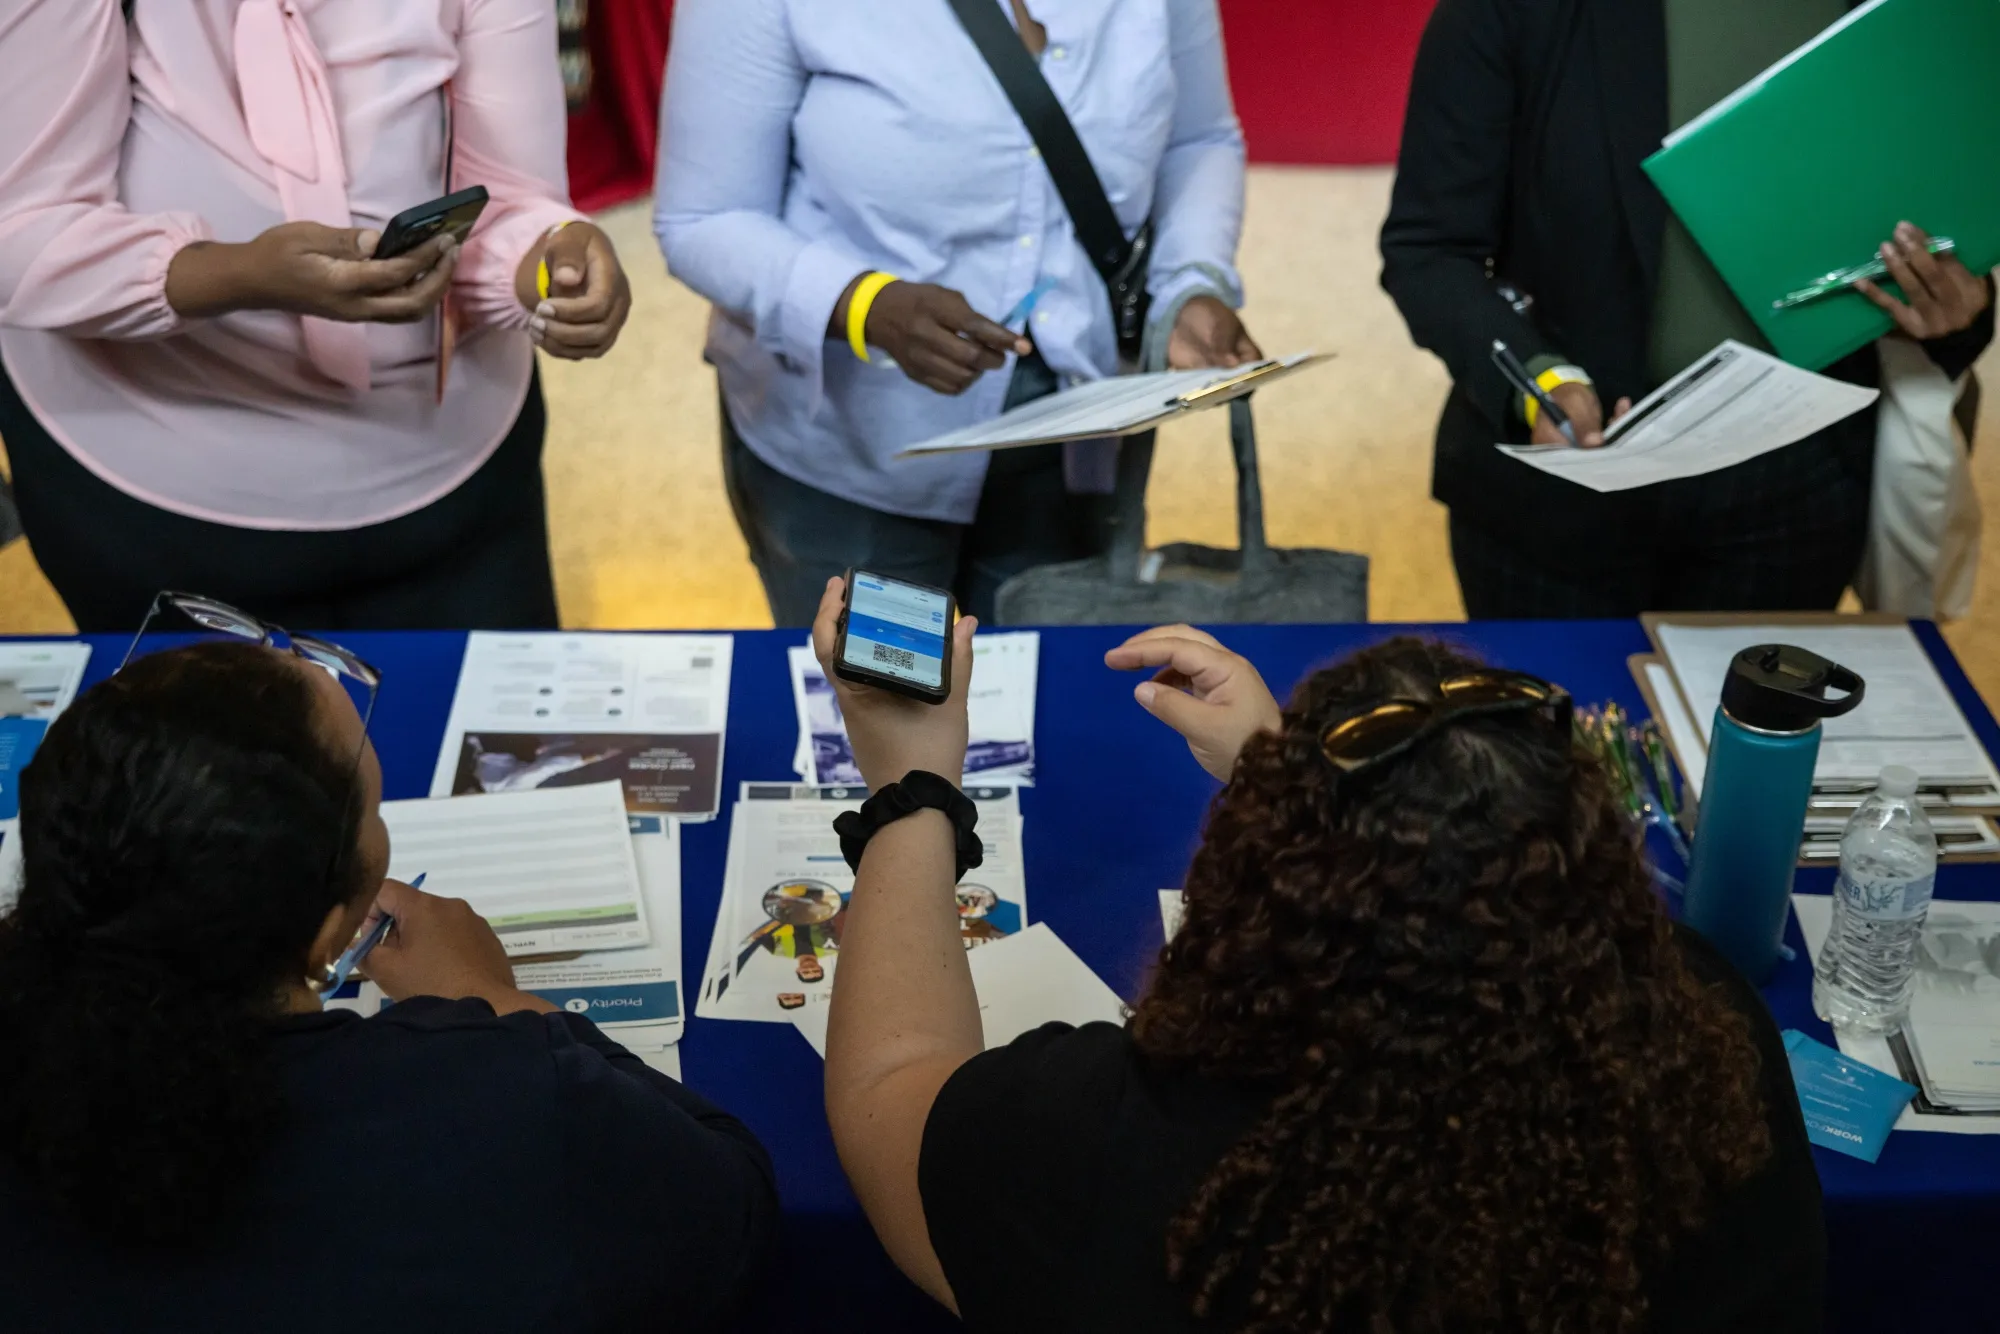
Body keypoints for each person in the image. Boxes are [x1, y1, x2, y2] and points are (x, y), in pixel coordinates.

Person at [811, 591, 1825, 1331]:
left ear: (1260, 893)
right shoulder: (1705, 1050)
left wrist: (911, 786)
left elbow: (887, 1086)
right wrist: (1316, 782)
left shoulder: (1110, 1154)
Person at [0, 640, 775, 1331]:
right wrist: (498, 1002)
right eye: (371, 806)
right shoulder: (506, 1102)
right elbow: (731, 1207)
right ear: (324, 934)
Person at [0, 0, 634, 632]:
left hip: (455, 473)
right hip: (157, 491)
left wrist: (553, 268)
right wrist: (239, 275)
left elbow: (511, 196)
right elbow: (22, 229)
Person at [1379, 0, 1995, 618]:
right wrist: (1539, 380)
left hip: (1795, 483)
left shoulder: (1911, 13)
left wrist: (1954, 309)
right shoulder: (1511, 15)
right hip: (1563, 492)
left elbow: (1938, 209)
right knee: (1554, 714)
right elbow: (1430, 250)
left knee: (1749, 715)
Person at [654, 0, 1261, 626]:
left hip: (1078, 427)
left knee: (1037, 698)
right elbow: (704, 219)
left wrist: (1191, 280)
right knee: (884, 701)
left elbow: (1198, 138)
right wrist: (861, 304)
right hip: (857, 445)